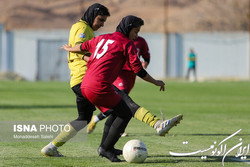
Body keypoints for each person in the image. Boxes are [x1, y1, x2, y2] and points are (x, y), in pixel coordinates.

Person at [61, 15, 168, 162]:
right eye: (136, 31)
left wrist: (70, 48)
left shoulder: (103, 37)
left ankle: (107, 147)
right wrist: (156, 82)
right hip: (100, 86)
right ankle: (105, 148)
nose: (136, 36)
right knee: (125, 113)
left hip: (85, 84)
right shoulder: (127, 44)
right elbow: (139, 71)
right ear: (128, 28)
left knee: (115, 112)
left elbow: (84, 46)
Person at [41, 3, 110, 157]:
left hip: (79, 81)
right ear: (92, 15)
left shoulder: (84, 28)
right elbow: (78, 50)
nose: (101, 24)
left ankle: (51, 147)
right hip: (86, 80)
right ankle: (107, 149)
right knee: (118, 106)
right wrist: (96, 61)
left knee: (83, 119)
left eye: (104, 21)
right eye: (100, 19)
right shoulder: (83, 28)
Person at [86, 36, 151, 135]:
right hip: (120, 73)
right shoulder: (119, 41)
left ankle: (96, 119)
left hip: (131, 75)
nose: (136, 32)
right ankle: (120, 128)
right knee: (122, 100)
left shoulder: (141, 41)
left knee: (119, 103)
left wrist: (145, 63)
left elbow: (146, 56)